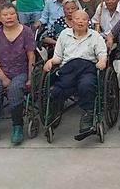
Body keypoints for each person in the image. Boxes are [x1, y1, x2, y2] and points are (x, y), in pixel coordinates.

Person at [43, 7, 107, 135]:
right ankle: (53, 112)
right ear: (71, 21)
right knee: (58, 89)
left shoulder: (95, 36)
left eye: (84, 19)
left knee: (86, 85)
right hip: (69, 68)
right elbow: (58, 57)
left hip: (87, 68)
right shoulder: (64, 34)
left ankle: (87, 117)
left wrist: (102, 61)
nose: (80, 22)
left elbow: (102, 53)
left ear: (88, 22)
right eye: (77, 19)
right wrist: (50, 61)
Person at [0, 4, 36, 147]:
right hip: (0, 71)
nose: (9, 17)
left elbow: (31, 57)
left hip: (20, 71)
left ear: (17, 15)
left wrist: (31, 78)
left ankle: (17, 127)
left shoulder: (26, 31)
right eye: (5, 15)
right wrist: (3, 78)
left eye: (12, 14)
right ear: (0, 18)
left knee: (15, 90)